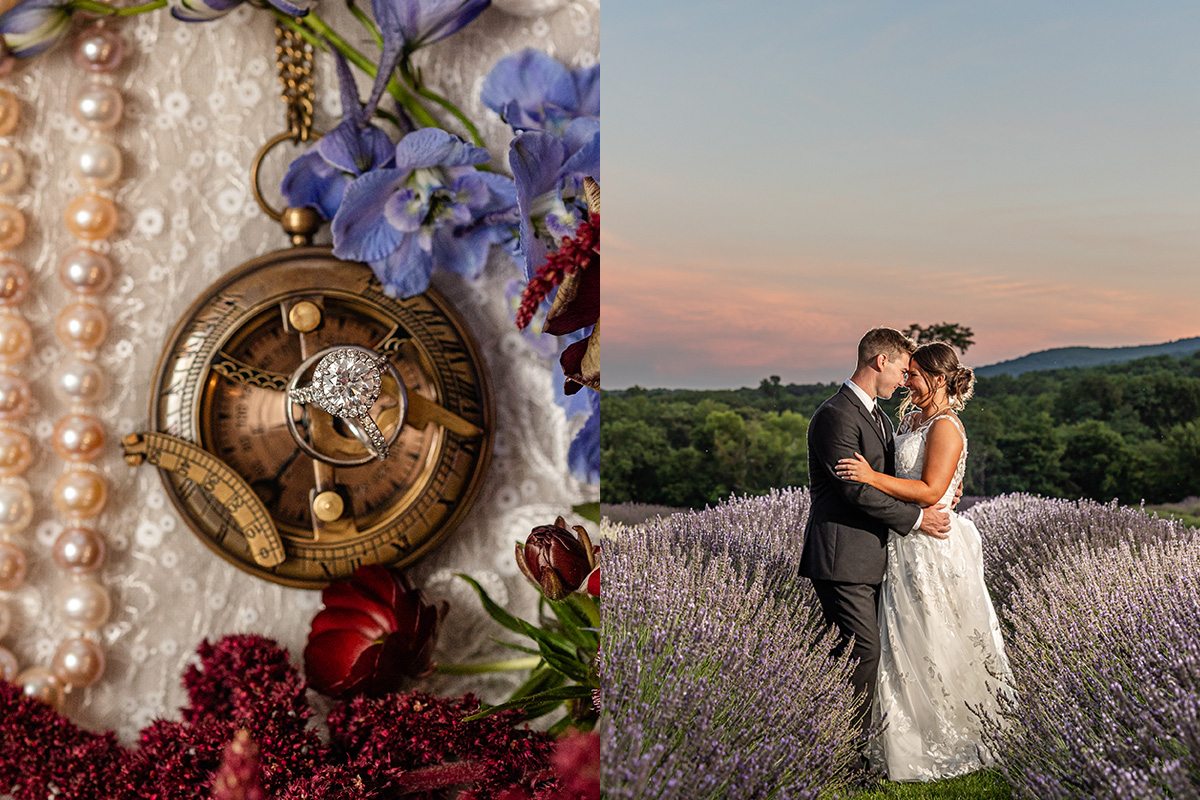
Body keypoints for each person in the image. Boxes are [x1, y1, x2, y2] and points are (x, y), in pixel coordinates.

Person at [835, 341, 1013, 781]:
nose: (905, 382)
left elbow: (934, 491)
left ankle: (950, 732)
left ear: (935, 378)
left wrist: (872, 478)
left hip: (932, 545)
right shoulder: (913, 419)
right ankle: (897, 734)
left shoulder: (947, 426)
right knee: (900, 637)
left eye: (912, 374)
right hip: (903, 539)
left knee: (935, 633)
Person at [799, 327, 953, 755]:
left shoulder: (880, 417)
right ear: (880, 361)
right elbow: (856, 491)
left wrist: (941, 490)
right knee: (862, 653)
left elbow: (895, 480)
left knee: (859, 654)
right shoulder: (836, 414)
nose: (904, 380)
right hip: (840, 555)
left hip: (872, 555)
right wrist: (919, 518)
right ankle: (844, 754)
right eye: (903, 369)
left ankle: (846, 747)